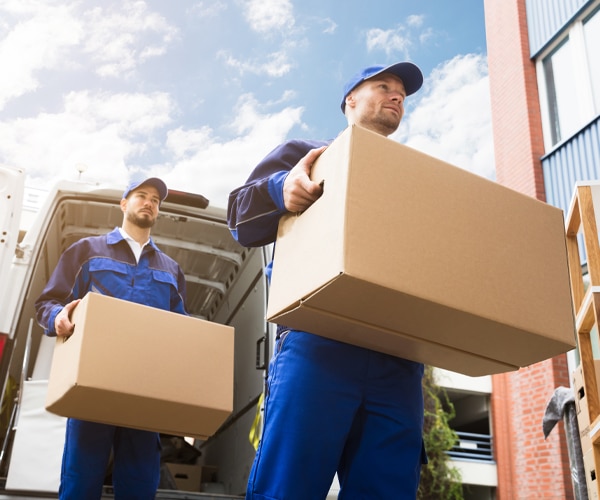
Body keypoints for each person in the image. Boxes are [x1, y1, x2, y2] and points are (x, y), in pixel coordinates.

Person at [227, 62, 427, 500]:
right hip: (318, 343)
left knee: (389, 488)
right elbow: (240, 220)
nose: (397, 96)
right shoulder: (308, 155)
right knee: (288, 486)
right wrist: (283, 190)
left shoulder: (417, 179)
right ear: (349, 100)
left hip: (399, 356)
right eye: (384, 86)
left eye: (402, 93)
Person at [35, 177, 187, 500]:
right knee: (80, 482)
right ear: (123, 203)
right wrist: (58, 318)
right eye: (141, 196)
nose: (149, 203)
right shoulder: (86, 252)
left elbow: (181, 332)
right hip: (91, 386)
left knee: (139, 485)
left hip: (145, 393)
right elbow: (46, 303)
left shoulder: (171, 270)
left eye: (156, 200)